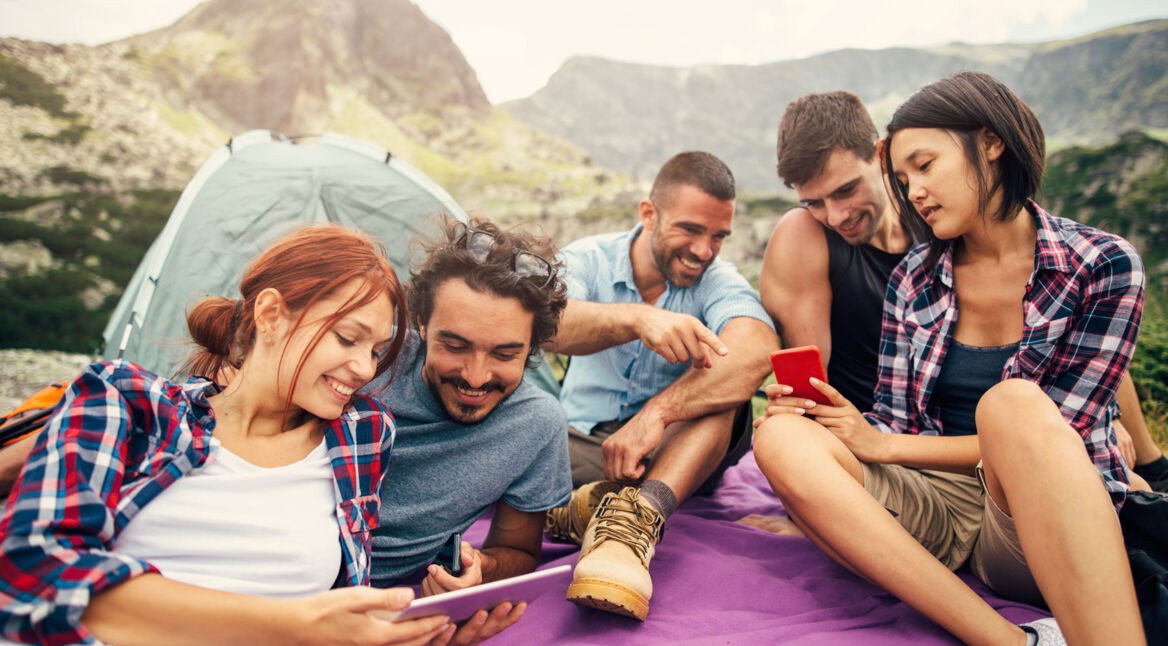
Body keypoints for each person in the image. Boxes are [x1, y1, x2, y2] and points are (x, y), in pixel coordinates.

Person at [753, 71, 1146, 645]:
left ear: (990, 144)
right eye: (904, 177)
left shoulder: (1104, 265)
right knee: (779, 437)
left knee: (1012, 407)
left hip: (1030, 515)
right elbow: (891, 418)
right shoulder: (914, 279)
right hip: (938, 499)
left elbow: (1067, 437)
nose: (912, 191)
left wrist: (880, 444)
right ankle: (1009, 641)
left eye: (926, 166)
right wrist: (841, 436)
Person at [0, 225, 456, 646]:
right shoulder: (128, 402)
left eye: (376, 351)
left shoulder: (364, 436)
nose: (365, 368)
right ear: (272, 313)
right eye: (345, 338)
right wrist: (293, 627)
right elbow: (29, 570)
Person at [545, 151, 777, 620]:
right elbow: (548, 323)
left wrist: (658, 413)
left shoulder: (717, 281)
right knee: (524, 422)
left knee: (726, 402)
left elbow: (755, 348)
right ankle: (587, 506)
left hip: (675, 455)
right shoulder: (588, 258)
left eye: (718, 236)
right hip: (583, 444)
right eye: (690, 230)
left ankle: (637, 518)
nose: (704, 250)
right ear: (648, 214)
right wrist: (636, 318)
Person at [364, 217, 572, 638]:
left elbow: (515, 550)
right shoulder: (363, 361)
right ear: (421, 323)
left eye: (505, 354)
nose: (476, 377)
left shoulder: (537, 425)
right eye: (455, 346)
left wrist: (479, 570)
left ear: (532, 348)